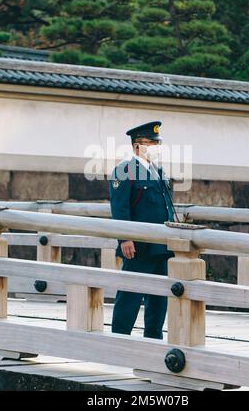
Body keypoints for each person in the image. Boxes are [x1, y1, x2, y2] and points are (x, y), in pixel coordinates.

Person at [109, 120, 176, 340]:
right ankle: (120, 337)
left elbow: (166, 205)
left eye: (157, 144)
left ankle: (153, 338)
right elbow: (120, 208)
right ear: (138, 146)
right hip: (138, 245)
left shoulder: (159, 171)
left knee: (159, 296)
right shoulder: (124, 170)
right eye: (151, 143)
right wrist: (125, 238)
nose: (156, 148)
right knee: (131, 293)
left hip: (162, 244)